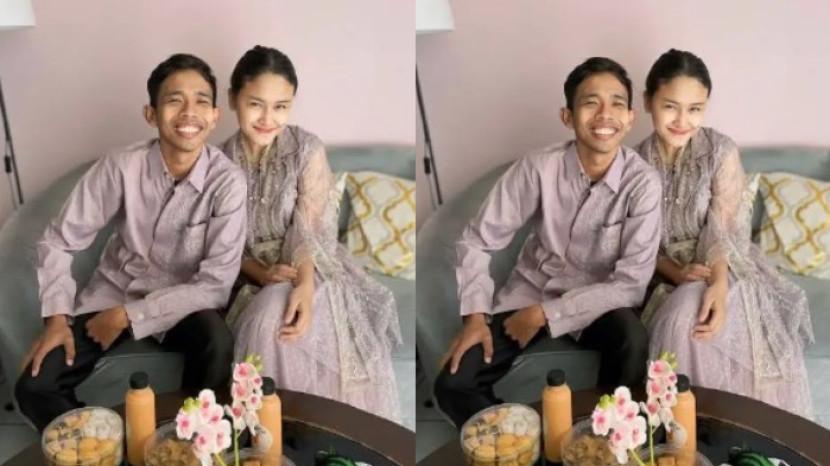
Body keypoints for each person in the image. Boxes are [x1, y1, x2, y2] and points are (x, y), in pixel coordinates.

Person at [15, 53, 247, 431]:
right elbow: (58, 241)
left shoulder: (228, 182)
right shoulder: (121, 166)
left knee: (218, 344)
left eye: (201, 101)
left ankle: (189, 445)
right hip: (114, 291)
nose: (189, 112)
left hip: (182, 303)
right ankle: (106, 449)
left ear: (215, 116)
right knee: (34, 386)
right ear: (151, 114)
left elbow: (215, 284)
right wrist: (56, 318)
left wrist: (129, 315)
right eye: (174, 100)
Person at [433, 57, 662, 428]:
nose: (605, 114)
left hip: (598, 302)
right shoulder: (538, 167)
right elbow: (476, 241)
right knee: (453, 383)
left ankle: (605, 440)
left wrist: (546, 314)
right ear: (567, 116)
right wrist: (475, 317)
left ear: (631, 118)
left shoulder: (643, 184)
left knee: (632, 341)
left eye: (617, 103)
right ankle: (523, 442)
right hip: (531, 290)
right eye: (590, 103)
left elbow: (631, 284)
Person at [222, 45, 401, 422]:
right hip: (248, 276)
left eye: (281, 106)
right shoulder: (218, 162)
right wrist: (261, 273)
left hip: (311, 265)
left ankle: (328, 436)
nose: (268, 118)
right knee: (269, 315)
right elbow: (221, 243)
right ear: (233, 98)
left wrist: (303, 285)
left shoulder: (306, 149)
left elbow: (310, 228)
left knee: (295, 312)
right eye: (256, 104)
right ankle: (277, 434)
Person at [636, 48, 814, 417]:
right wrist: (675, 272)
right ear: (648, 101)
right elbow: (636, 242)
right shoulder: (634, 163)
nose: (682, 120)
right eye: (670, 106)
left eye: (695, 109)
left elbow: (724, 229)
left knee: (706, 312)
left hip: (724, 264)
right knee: (683, 315)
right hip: (663, 273)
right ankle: (689, 431)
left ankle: (737, 433)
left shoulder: (719, 150)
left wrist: (717, 284)